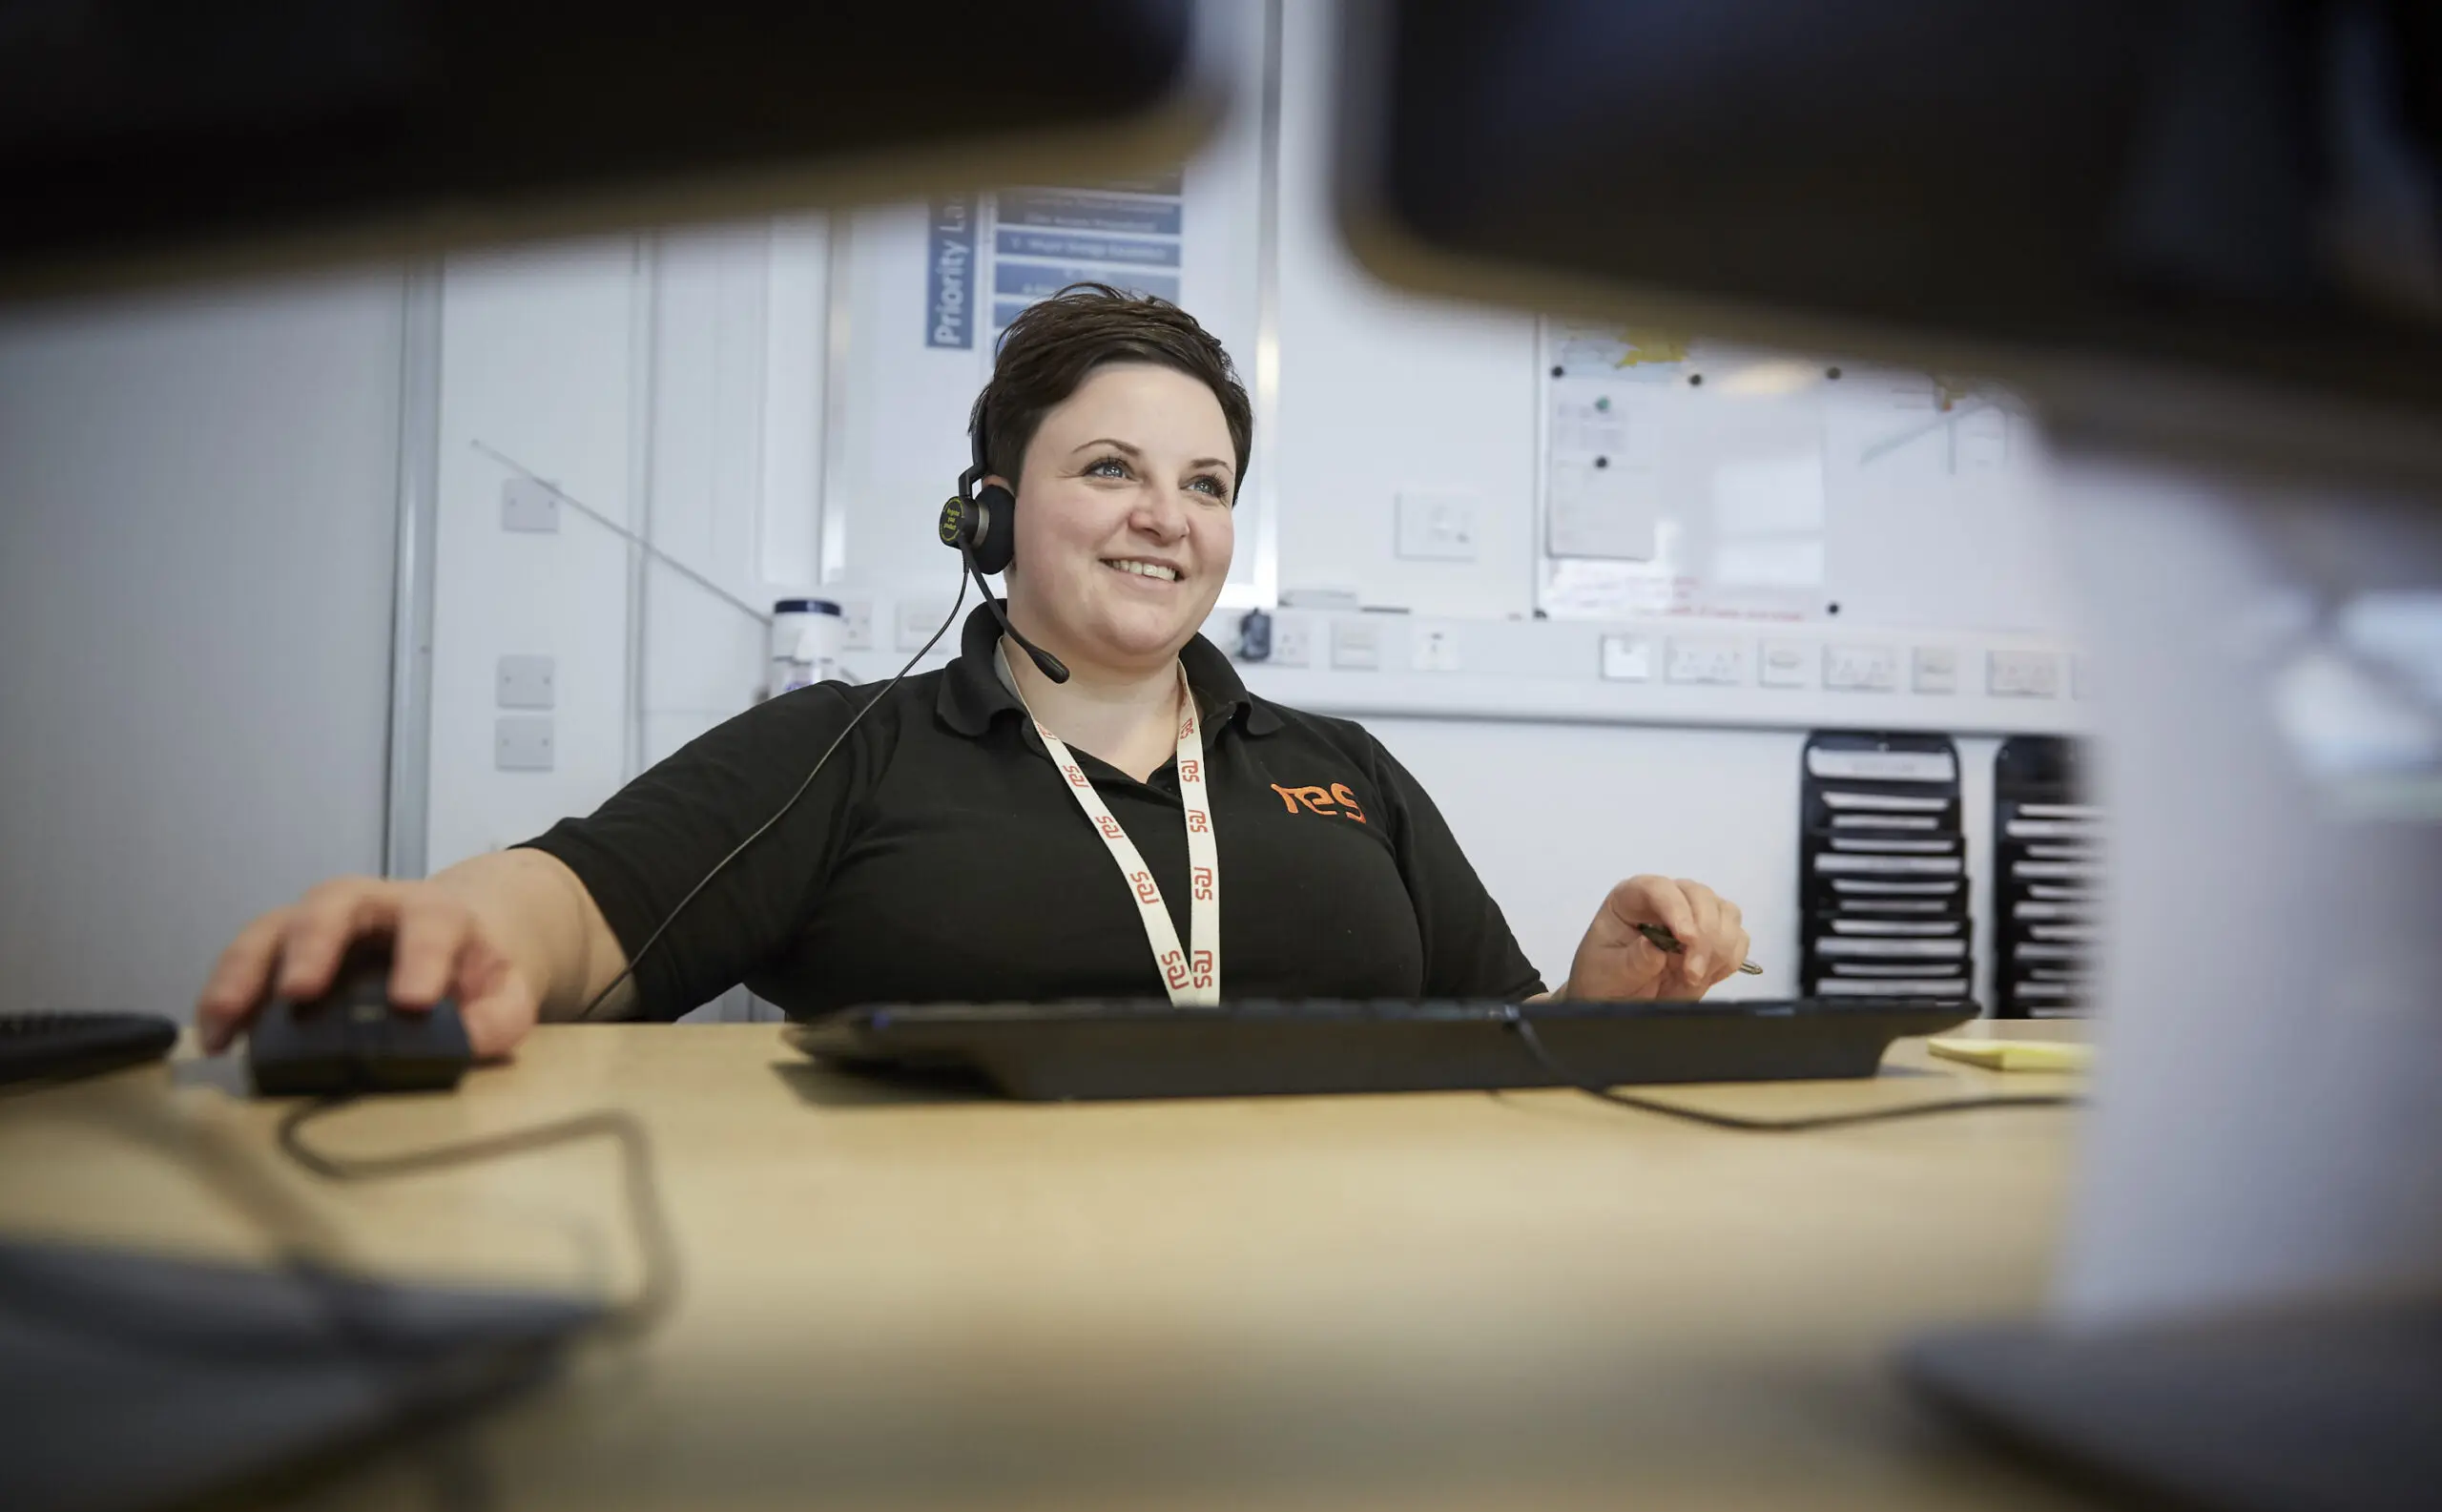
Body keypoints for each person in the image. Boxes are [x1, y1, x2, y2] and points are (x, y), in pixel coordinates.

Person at [197, 284, 1750, 1058]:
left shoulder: (1337, 764)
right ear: (991, 516)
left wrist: (1598, 1000)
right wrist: (451, 929)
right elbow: (581, 905)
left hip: (1342, 1316)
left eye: (1206, 484)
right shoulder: (847, 751)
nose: (1167, 517)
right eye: (1111, 469)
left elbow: (1504, 1038)